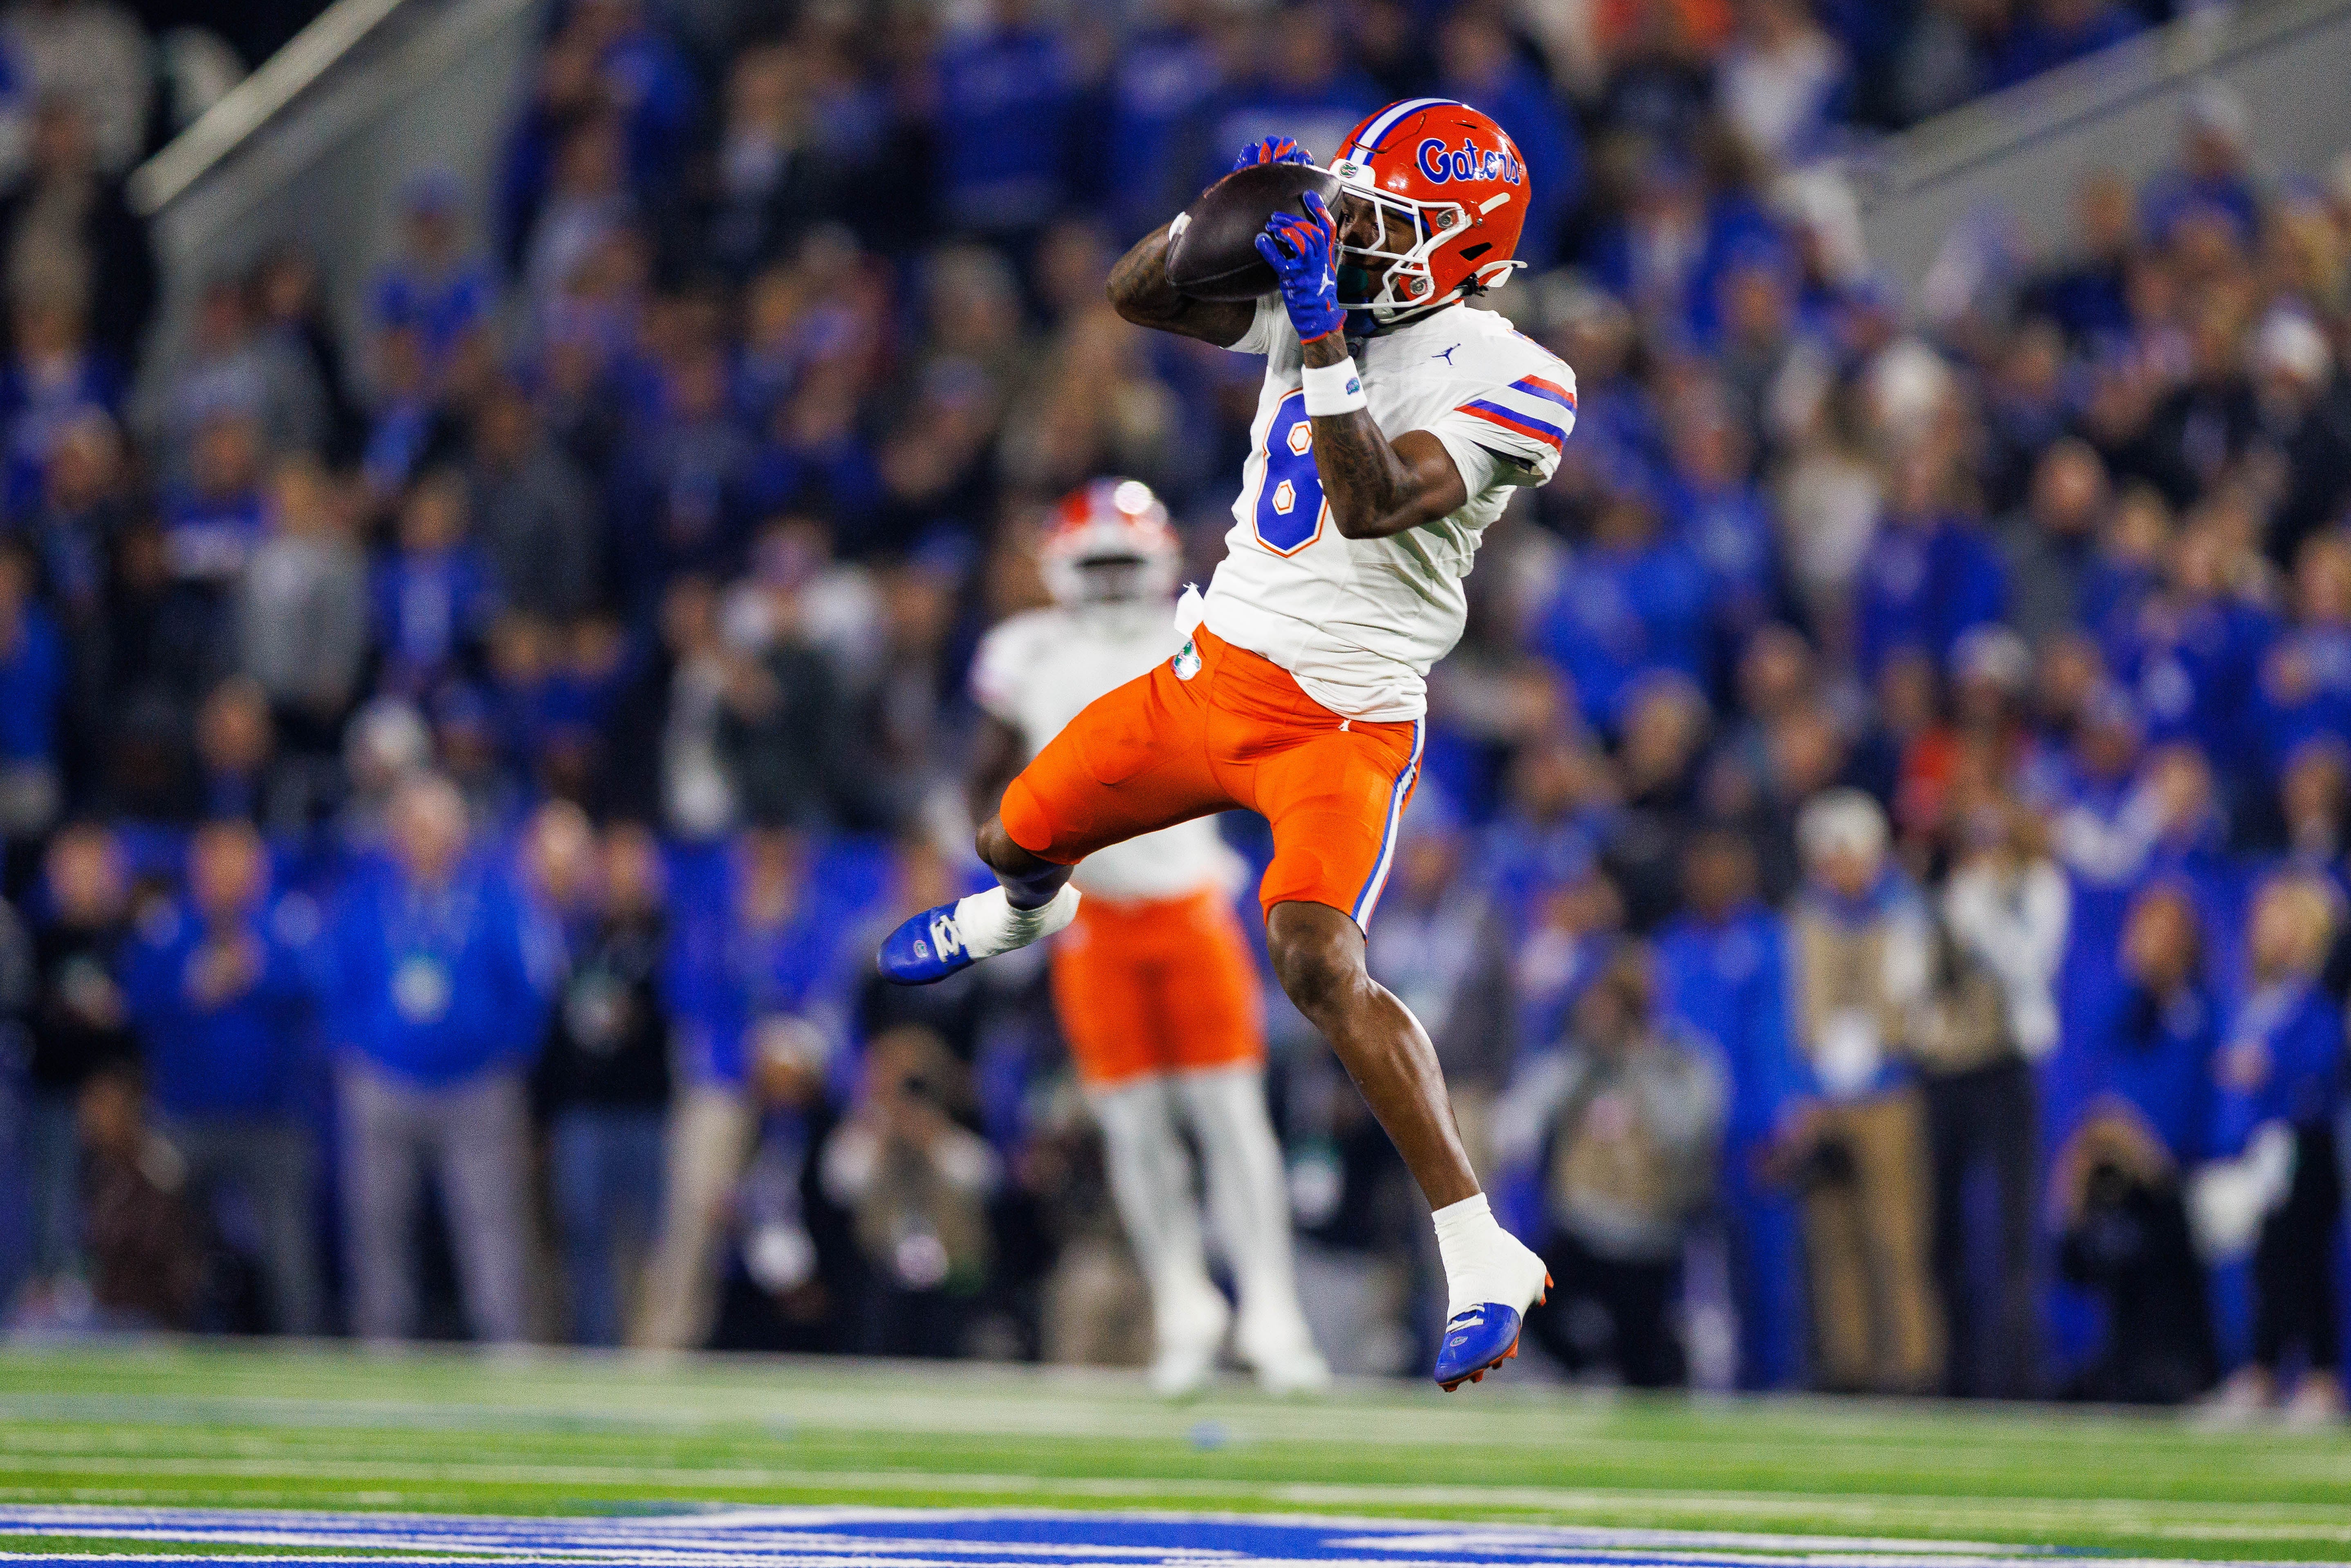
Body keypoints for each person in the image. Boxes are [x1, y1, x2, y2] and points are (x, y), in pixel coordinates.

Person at [879, 102, 1570, 1391]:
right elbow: (1134, 296)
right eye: (1353, 206)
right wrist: (1211, 218)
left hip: (1344, 719)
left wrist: (1316, 329)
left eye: (1387, 222)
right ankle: (1026, 907)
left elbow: (1367, 504)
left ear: (1464, 248)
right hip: (1209, 675)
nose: (1356, 235)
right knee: (1006, 839)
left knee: (1313, 958)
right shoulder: (1331, 292)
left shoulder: (1517, 373)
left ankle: (1478, 1247)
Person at [967, 478, 1324, 1395]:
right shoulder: (1024, 652)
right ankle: (1183, 1305)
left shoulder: (1201, 632)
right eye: (1102, 564)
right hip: (1092, 925)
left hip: (1190, 905)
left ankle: (1272, 1312)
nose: (1119, 582)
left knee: (1230, 1122)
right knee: (1133, 1130)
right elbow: (983, 781)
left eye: (1130, 561)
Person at [322, 772, 551, 1344]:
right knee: (376, 1223)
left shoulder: (495, 897)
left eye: (436, 826)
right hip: (383, 1082)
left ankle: (505, 1344)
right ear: (396, 833)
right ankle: (382, 1342)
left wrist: (504, 1055)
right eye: (414, 825)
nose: (425, 838)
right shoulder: (368, 897)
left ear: (460, 834)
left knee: (491, 1224)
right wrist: (355, 1052)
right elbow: (336, 983)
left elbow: (528, 986)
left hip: (477, 1086)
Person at [120, 820, 321, 1336]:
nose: (228, 874)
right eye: (217, 861)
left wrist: (260, 975)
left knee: (288, 1251)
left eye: (239, 861)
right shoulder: (168, 926)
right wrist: (192, 986)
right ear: (198, 868)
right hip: (186, 1117)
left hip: (273, 1119)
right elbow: (134, 1002)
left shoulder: (287, 922)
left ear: (258, 868)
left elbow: (321, 991)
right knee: (175, 1243)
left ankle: (300, 1350)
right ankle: (174, 1340)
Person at [1495, 945, 1725, 1388]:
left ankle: (1660, 1365)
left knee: (1644, 1365)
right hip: (1581, 1228)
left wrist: (1635, 1063)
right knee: (1524, 1307)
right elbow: (1522, 1119)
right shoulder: (1577, 1063)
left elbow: (1685, 1135)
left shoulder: (1677, 1063)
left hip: (1646, 1236)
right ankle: (1586, 1365)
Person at [1778, 788, 1944, 1395]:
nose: (1838, 866)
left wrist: (1884, 1040)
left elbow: (1916, 1004)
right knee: (1833, 1239)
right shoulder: (1805, 916)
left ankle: (1913, 1368)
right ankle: (1848, 1368)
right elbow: (1794, 1008)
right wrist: (1801, 1088)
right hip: (1824, 1096)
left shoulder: (1902, 912)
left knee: (1897, 1235)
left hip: (1888, 1092)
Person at [2208, 874, 2346, 1424]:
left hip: (2307, 1140)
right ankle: (2262, 1370)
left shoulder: (2317, 994)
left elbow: (2323, 1059)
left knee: (2304, 1260)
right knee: (2269, 1262)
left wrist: (2271, 1070)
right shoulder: (2260, 993)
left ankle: (2317, 1376)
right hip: (2266, 1147)